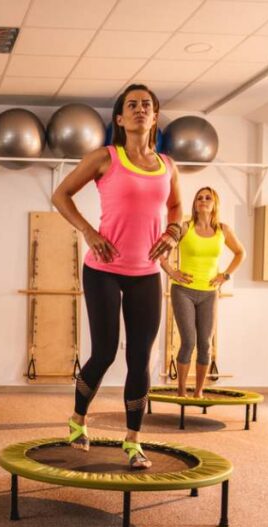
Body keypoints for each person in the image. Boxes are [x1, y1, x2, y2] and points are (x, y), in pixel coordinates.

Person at [51, 84, 183, 469]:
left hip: (146, 273)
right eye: (132, 105)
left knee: (140, 358)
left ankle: (133, 440)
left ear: (155, 116)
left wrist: (174, 233)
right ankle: (78, 418)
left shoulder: (168, 166)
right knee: (105, 351)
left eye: (147, 105)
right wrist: (89, 233)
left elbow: (177, 208)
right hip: (103, 269)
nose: (140, 109)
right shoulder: (105, 158)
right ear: (120, 118)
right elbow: (61, 195)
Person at [161, 187, 246, 398]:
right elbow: (162, 255)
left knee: (205, 344)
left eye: (208, 198)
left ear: (215, 203)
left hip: (209, 293)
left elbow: (240, 253)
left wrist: (225, 275)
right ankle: (181, 391)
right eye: (199, 197)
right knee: (188, 341)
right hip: (183, 292)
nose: (203, 201)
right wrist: (172, 272)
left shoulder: (223, 230)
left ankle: (198, 392)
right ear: (195, 203)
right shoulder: (184, 228)